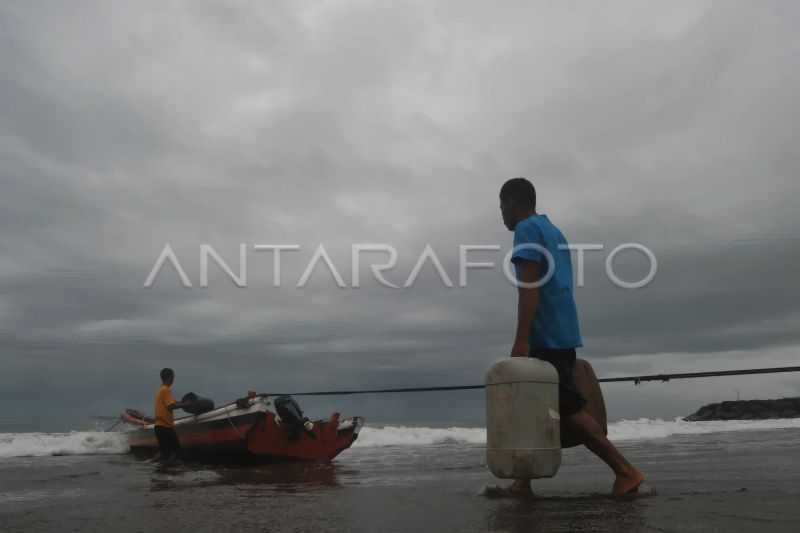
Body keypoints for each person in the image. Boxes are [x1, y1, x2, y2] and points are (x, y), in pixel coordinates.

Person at [499, 177, 644, 497]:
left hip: (546, 334)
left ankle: (625, 471)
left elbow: (530, 287)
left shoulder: (526, 229)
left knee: (565, 407)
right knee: (534, 406)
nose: (502, 215)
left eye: (501, 207)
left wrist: (522, 339)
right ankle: (522, 482)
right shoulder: (553, 231)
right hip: (563, 329)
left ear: (512, 202)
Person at [153, 368, 190, 463]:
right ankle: (163, 473)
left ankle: (155, 468)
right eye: (173, 377)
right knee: (174, 453)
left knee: (166, 453)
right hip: (164, 427)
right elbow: (171, 406)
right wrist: (186, 404)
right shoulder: (166, 390)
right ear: (170, 377)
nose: (174, 380)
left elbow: (173, 402)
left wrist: (182, 402)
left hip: (163, 427)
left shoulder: (161, 390)